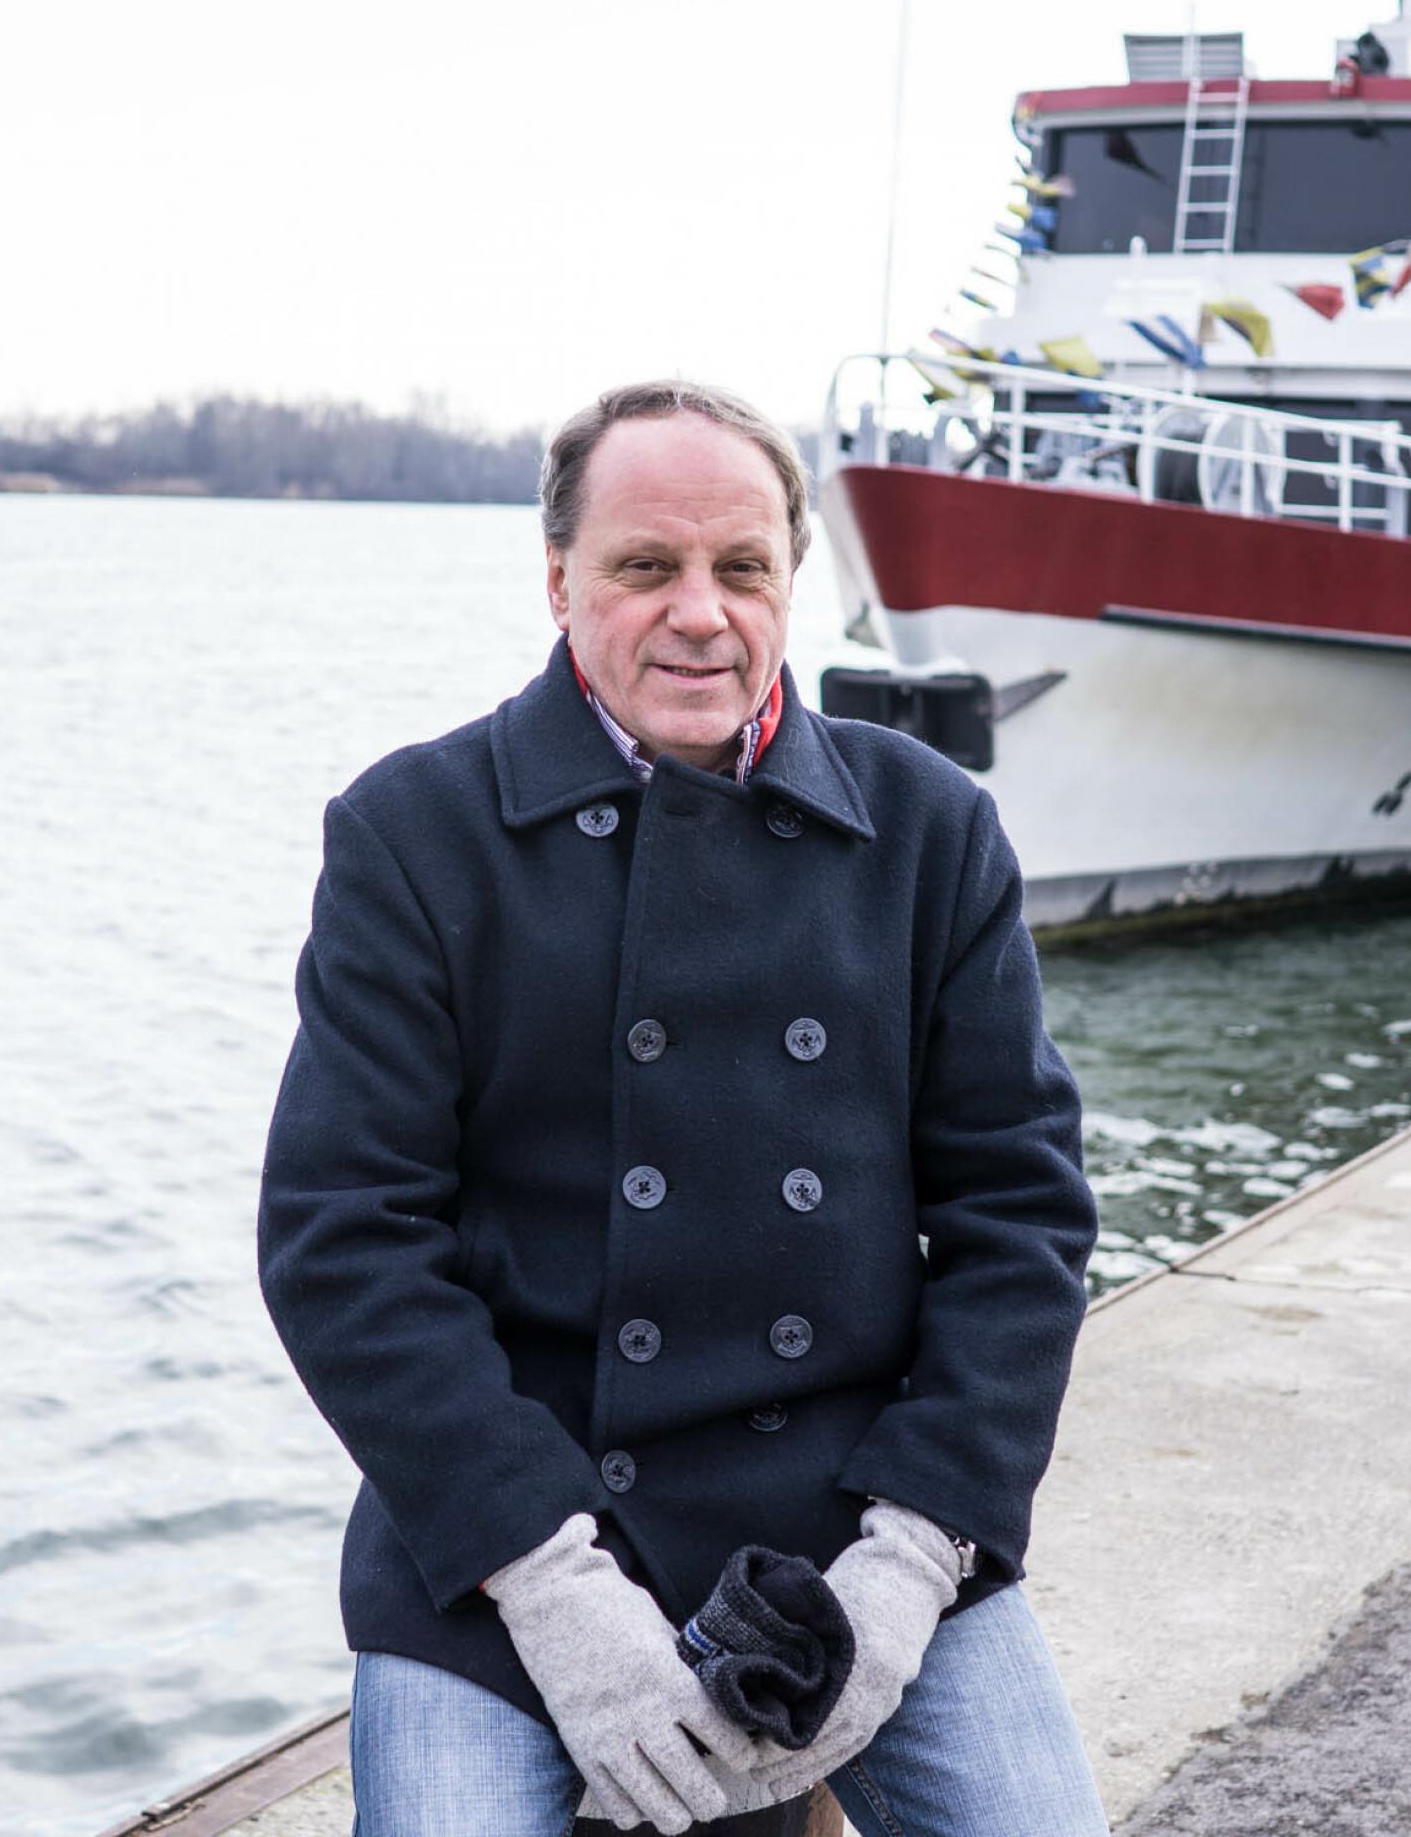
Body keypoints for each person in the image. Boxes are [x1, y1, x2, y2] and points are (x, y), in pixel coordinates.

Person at [257, 379, 1106, 1835]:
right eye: (646, 567)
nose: (699, 614)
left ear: (794, 580)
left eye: (742, 569)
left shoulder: (929, 831)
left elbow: (1019, 1221)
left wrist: (908, 1568)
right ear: (560, 580)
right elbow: (346, 1242)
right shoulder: (414, 835)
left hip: (847, 1509)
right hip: (508, 1518)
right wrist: (554, 1592)